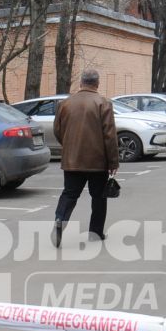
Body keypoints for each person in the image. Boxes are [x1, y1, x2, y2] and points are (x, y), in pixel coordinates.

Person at [50, 69, 119, 247]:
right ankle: (95, 233)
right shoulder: (103, 103)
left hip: (72, 160)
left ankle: (60, 219)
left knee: (70, 194)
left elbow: (57, 131)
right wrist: (113, 162)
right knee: (98, 197)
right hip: (98, 162)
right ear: (97, 84)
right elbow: (110, 136)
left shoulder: (65, 104)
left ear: (81, 83)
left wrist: (69, 146)